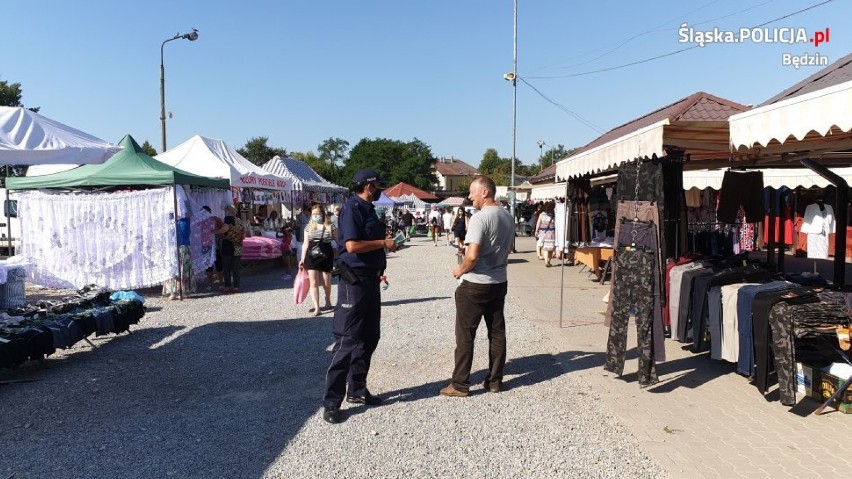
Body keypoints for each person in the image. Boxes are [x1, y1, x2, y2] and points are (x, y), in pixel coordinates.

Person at [322, 168, 401, 425]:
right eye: (378, 184)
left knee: (368, 337)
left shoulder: (369, 209)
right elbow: (352, 246)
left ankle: (357, 390)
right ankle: (332, 402)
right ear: (367, 186)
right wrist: (382, 243)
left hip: (370, 281)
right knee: (347, 340)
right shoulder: (352, 209)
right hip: (353, 282)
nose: (380, 188)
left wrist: (386, 244)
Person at [440, 176, 514, 397]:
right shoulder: (507, 216)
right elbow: (505, 248)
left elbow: (472, 257)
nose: (469, 196)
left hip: (475, 283)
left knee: (465, 334)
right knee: (497, 332)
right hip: (499, 280)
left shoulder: (480, 218)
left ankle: (460, 384)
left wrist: (460, 269)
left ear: (485, 192)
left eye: (472, 192)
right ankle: (495, 380)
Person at [299, 204, 337, 316]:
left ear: (323, 213)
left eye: (318, 214)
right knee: (313, 282)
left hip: (326, 255)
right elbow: (305, 244)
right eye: (314, 214)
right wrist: (302, 258)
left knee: (327, 282)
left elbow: (338, 240)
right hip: (311, 257)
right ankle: (317, 307)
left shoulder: (331, 226)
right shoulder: (308, 226)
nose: (316, 216)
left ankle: (328, 299)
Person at [162, 214, 196, 300]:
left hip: (181, 247)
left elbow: (184, 234)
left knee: (180, 269)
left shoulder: (184, 221)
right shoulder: (172, 221)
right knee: (175, 270)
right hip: (176, 247)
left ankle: (182, 291)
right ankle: (175, 291)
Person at [214, 205, 245, 294]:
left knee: (226, 267)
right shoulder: (239, 220)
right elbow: (244, 235)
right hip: (238, 247)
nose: (224, 212)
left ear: (228, 211)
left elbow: (225, 229)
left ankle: (227, 286)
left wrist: (214, 232)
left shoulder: (228, 218)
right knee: (235, 268)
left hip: (228, 246)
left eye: (225, 210)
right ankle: (236, 287)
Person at [534, 201, 556, 267]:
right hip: (552, 234)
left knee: (545, 248)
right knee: (551, 249)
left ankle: (546, 261)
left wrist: (536, 231)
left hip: (543, 233)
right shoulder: (554, 215)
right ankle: (548, 261)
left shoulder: (542, 214)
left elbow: (538, 223)